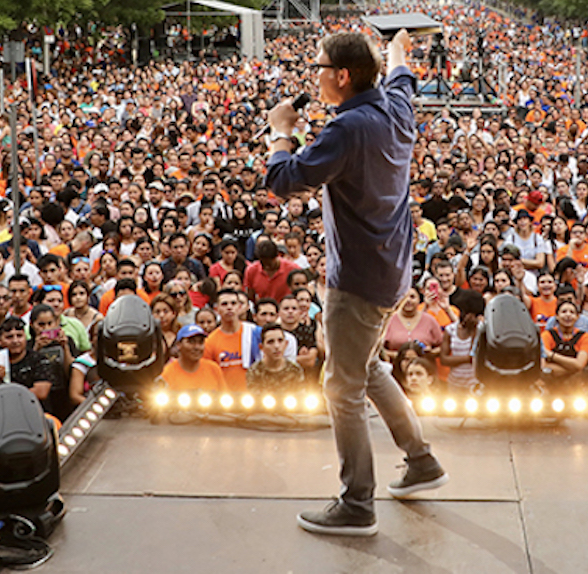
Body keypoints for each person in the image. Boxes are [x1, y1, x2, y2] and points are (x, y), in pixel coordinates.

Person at [264, 29, 445, 536]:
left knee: (341, 387)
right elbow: (402, 74)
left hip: (358, 279)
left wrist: (280, 131)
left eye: (320, 67)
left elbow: (283, 180)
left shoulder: (347, 128)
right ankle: (421, 460)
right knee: (365, 367)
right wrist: (396, 47)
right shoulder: (396, 106)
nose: (315, 75)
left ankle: (357, 502)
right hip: (392, 270)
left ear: (342, 76)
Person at [159, 324, 227, 392]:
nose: (197, 347)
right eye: (191, 342)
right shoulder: (167, 373)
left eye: (201, 342)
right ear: (178, 345)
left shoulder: (214, 369)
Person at [246, 324, 305, 393]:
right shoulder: (254, 372)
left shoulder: (295, 370)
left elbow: (300, 396)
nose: (276, 346)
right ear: (261, 347)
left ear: (286, 344)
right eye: (270, 342)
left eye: (280, 341)